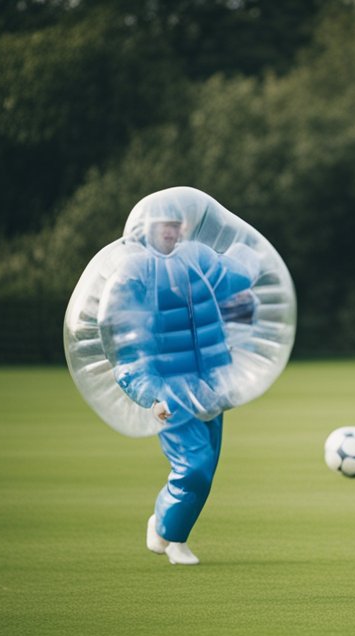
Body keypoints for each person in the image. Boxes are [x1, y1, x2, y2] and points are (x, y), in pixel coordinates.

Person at [101, 201, 257, 564]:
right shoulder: (135, 273)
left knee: (208, 466)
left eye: (175, 225)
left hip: (212, 385)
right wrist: (150, 395)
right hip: (170, 391)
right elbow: (127, 350)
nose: (170, 231)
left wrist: (252, 258)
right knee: (195, 465)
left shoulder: (197, 258)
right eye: (163, 225)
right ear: (147, 229)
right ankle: (169, 534)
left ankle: (171, 529)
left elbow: (231, 278)